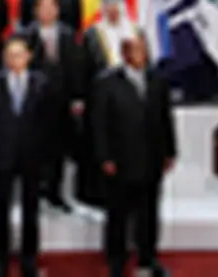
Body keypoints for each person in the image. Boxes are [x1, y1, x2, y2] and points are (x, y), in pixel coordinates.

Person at [93, 34, 177, 277]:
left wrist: (170, 151)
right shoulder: (107, 83)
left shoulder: (157, 80)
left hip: (151, 158)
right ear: (124, 54)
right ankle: (116, 260)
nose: (141, 55)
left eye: (143, 49)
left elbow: (165, 118)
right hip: (120, 160)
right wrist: (105, 157)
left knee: (149, 212)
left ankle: (147, 258)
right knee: (118, 214)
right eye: (135, 50)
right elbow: (99, 124)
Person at [0, 39, 52, 277]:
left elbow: (48, 121)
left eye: (20, 54)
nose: (15, 59)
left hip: (31, 155)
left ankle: (29, 258)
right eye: (11, 55)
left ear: (29, 57)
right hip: (2, 154)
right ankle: (0, 258)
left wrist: (44, 154)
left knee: (31, 209)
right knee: (0, 208)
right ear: (4, 58)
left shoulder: (41, 83)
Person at [18, 0, 83, 211]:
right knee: (35, 148)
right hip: (35, 102)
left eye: (51, 7)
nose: (47, 12)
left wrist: (77, 96)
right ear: (36, 11)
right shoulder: (26, 35)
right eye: (42, 7)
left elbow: (75, 67)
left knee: (59, 149)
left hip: (62, 101)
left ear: (57, 10)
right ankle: (35, 192)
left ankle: (56, 192)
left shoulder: (68, 34)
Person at [77, 0, 133, 207]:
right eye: (108, 7)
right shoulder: (93, 34)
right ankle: (95, 194)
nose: (113, 11)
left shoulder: (135, 31)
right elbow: (83, 68)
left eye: (116, 7)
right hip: (99, 96)